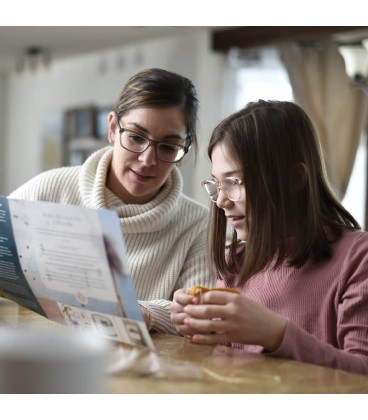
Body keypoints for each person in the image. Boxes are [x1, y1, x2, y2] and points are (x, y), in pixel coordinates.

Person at [9, 68, 215, 334]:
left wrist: (145, 313)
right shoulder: (50, 190)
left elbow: (197, 318)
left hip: (141, 371)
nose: (147, 159)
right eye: (136, 137)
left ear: (185, 149)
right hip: (40, 355)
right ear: (112, 129)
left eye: (168, 146)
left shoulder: (198, 224)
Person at [171, 100, 368, 374]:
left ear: (294, 179)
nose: (221, 202)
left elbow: (362, 374)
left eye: (234, 183)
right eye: (217, 185)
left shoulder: (358, 258)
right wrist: (195, 327)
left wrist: (277, 334)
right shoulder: (235, 263)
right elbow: (224, 367)